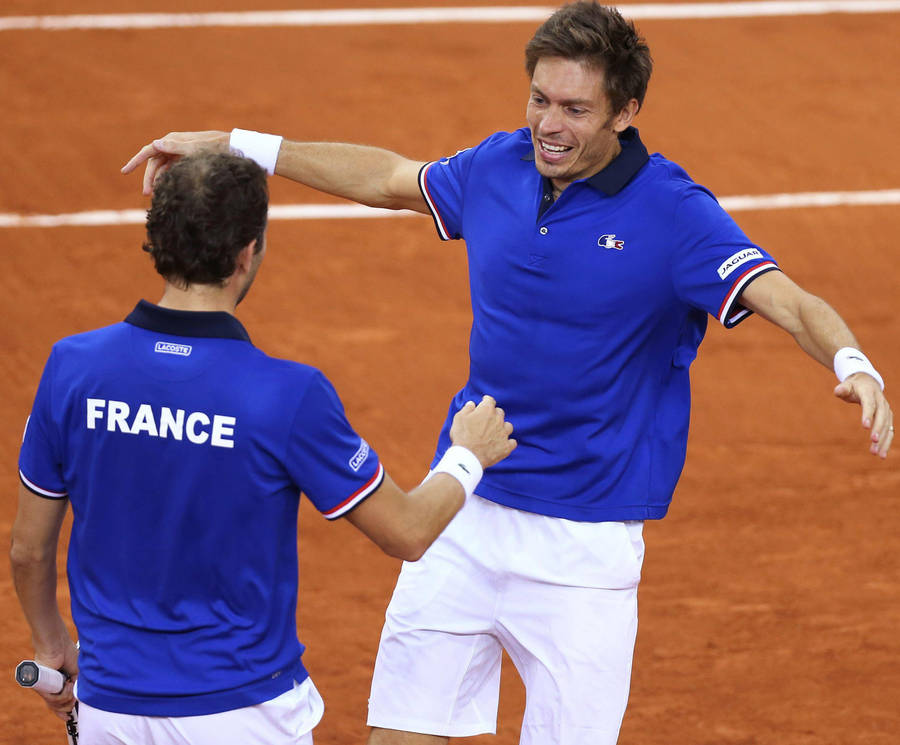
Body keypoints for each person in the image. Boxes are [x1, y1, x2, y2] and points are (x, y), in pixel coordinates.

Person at [121, 3, 894, 743]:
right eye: (539, 99)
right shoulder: (498, 165)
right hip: (462, 511)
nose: (549, 127)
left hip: (583, 553)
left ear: (626, 111)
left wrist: (853, 362)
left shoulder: (675, 213)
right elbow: (391, 179)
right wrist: (236, 142)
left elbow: (786, 299)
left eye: (576, 110)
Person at [10, 151, 517, 745]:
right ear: (248, 252)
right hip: (243, 713)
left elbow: (27, 550)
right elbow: (405, 531)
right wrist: (467, 456)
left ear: (160, 240)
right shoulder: (286, 394)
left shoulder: (72, 368)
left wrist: (51, 644)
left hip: (109, 710)